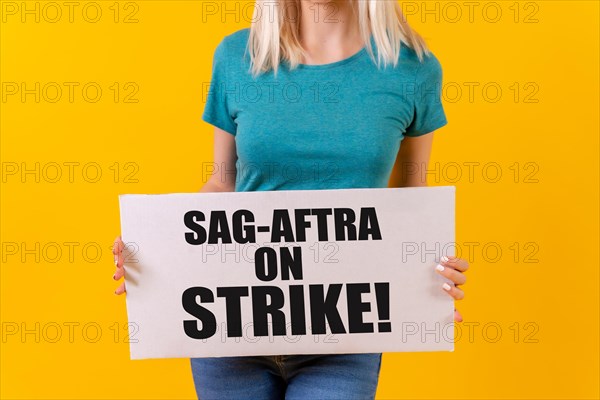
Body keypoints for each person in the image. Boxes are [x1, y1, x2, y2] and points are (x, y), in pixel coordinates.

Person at [112, 0, 469, 398]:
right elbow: (220, 185)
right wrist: (160, 255)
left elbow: (411, 201)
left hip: (345, 331)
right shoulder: (237, 57)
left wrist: (429, 279)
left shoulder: (413, 69)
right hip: (231, 319)